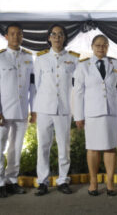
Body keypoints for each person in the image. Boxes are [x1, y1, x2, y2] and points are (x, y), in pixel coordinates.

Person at [74, 35, 117, 196]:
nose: (101, 48)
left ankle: (110, 182)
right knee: (93, 148)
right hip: (92, 113)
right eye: (98, 45)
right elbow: (78, 92)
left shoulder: (115, 64)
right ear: (92, 46)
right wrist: (78, 116)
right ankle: (93, 181)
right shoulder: (83, 66)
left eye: (104, 45)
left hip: (112, 112)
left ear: (108, 47)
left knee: (111, 147)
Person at [0, 23, 36, 198]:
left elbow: (33, 87)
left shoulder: (28, 57)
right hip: (3, 112)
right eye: (12, 34)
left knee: (16, 147)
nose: (16, 37)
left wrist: (34, 109)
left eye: (19, 34)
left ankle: (12, 180)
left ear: (22, 36)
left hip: (21, 111)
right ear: (6, 36)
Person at [33, 24, 80, 196]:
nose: (57, 37)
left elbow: (77, 85)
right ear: (49, 37)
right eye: (54, 34)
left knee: (64, 146)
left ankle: (63, 180)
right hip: (44, 108)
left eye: (60, 34)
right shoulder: (41, 59)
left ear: (65, 38)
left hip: (64, 108)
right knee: (43, 146)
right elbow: (37, 85)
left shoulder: (74, 59)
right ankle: (42, 182)